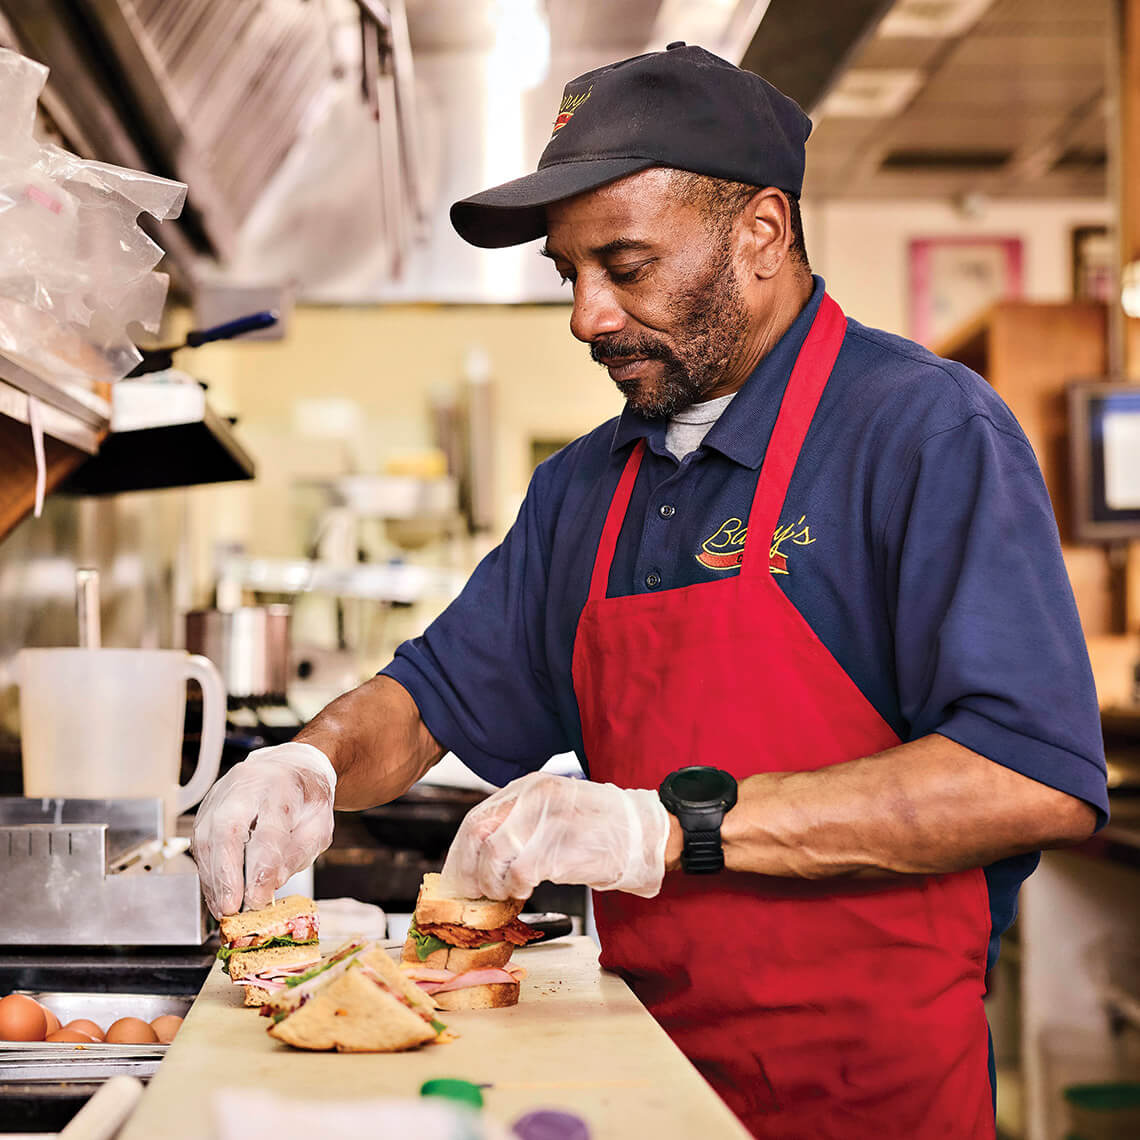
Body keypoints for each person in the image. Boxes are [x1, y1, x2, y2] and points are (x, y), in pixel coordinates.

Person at [193, 44, 1108, 1139]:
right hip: (635, 1076)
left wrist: (663, 828)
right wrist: (311, 761)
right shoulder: (586, 487)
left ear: (761, 234)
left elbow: (1026, 776)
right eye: (569, 274)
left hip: (864, 1097)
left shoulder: (924, 434)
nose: (587, 316)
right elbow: (430, 696)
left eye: (625, 267)